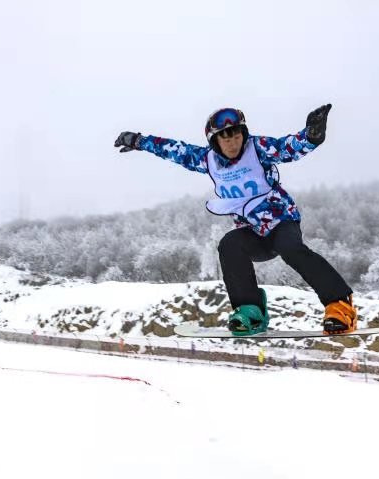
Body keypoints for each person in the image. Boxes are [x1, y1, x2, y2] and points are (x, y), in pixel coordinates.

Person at [114, 104, 357, 336]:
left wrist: (311, 136)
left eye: (237, 136)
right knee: (229, 244)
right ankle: (250, 311)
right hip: (252, 233)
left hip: (281, 221)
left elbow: (287, 148)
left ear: (244, 134)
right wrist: (138, 141)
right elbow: (175, 150)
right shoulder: (207, 160)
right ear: (215, 141)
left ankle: (339, 306)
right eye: (226, 139)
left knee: (290, 248)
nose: (233, 143)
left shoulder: (257, 148)